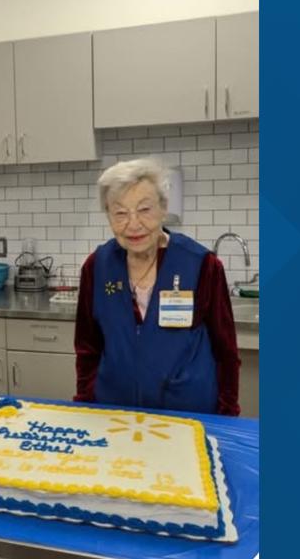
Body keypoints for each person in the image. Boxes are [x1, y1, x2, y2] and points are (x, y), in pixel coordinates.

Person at [73, 158, 240, 415]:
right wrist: (86, 402)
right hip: (114, 415)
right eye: (120, 213)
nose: (134, 224)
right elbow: (87, 348)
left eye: (144, 209)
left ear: (163, 208)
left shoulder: (202, 265)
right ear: (108, 215)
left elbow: (225, 352)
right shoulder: (97, 267)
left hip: (186, 416)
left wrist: (227, 415)